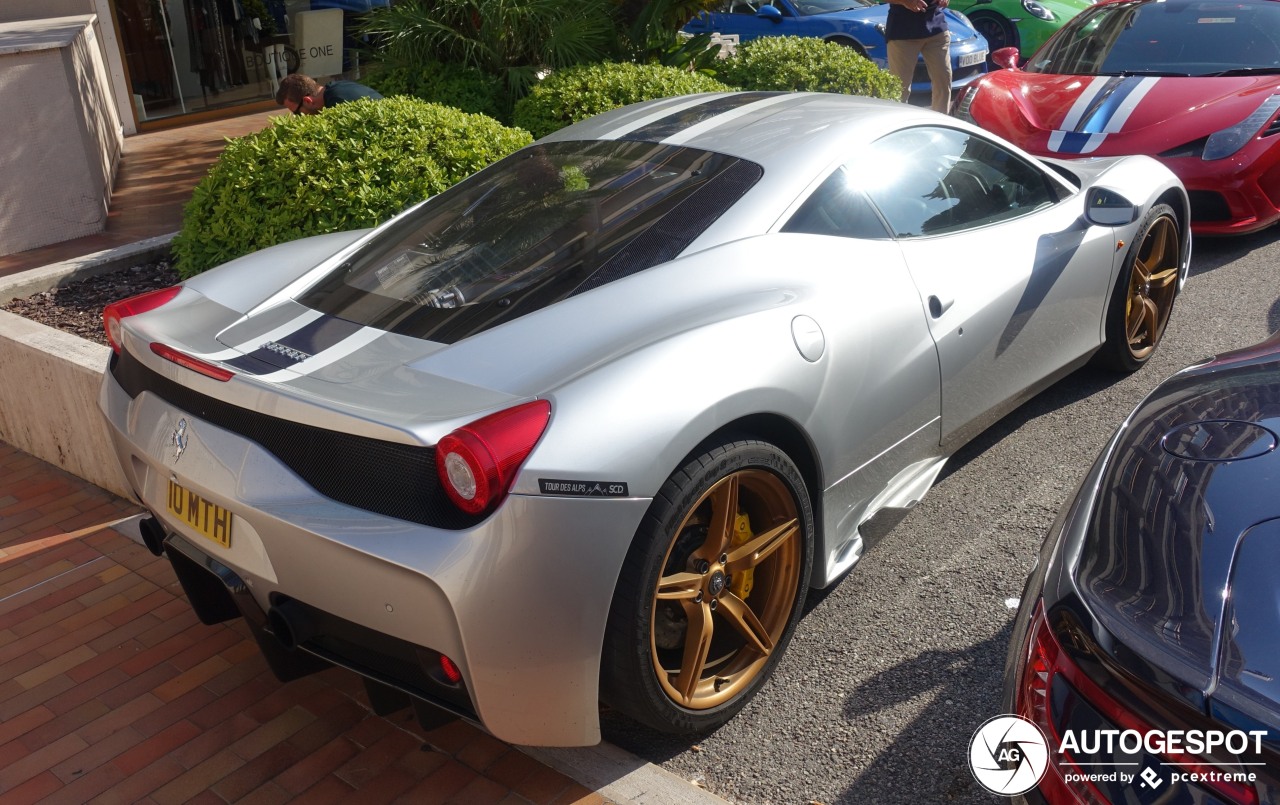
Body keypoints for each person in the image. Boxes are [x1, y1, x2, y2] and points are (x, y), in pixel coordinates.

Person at [883, 0, 953, 114]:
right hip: (903, 33)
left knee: (943, 82)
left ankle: (940, 126)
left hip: (936, 27)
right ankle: (899, 127)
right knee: (899, 89)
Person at [275, 73, 382, 115]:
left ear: (308, 101)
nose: (300, 117)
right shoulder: (338, 86)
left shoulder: (336, 103)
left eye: (297, 113)